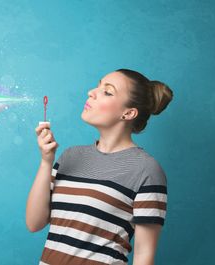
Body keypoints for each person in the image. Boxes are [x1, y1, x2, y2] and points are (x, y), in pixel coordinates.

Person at [26, 69, 174, 265]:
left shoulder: (146, 170)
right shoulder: (71, 156)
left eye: (108, 91)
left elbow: (144, 256)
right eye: (98, 85)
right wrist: (46, 161)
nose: (91, 92)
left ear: (128, 113)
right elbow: (34, 223)